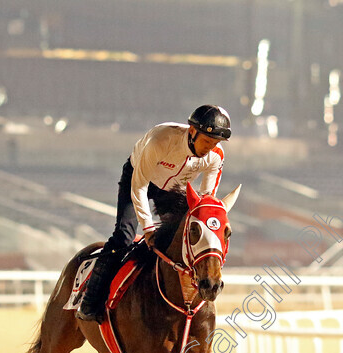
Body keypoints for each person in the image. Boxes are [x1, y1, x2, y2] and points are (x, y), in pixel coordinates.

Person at [76, 105, 232, 323]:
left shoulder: (215, 155)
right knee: (124, 236)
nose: (210, 147)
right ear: (192, 131)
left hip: (173, 190)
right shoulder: (161, 141)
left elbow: (204, 200)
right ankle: (90, 301)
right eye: (207, 141)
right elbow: (139, 186)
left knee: (180, 241)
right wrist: (148, 229)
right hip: (139, 179)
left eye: (215, 143)